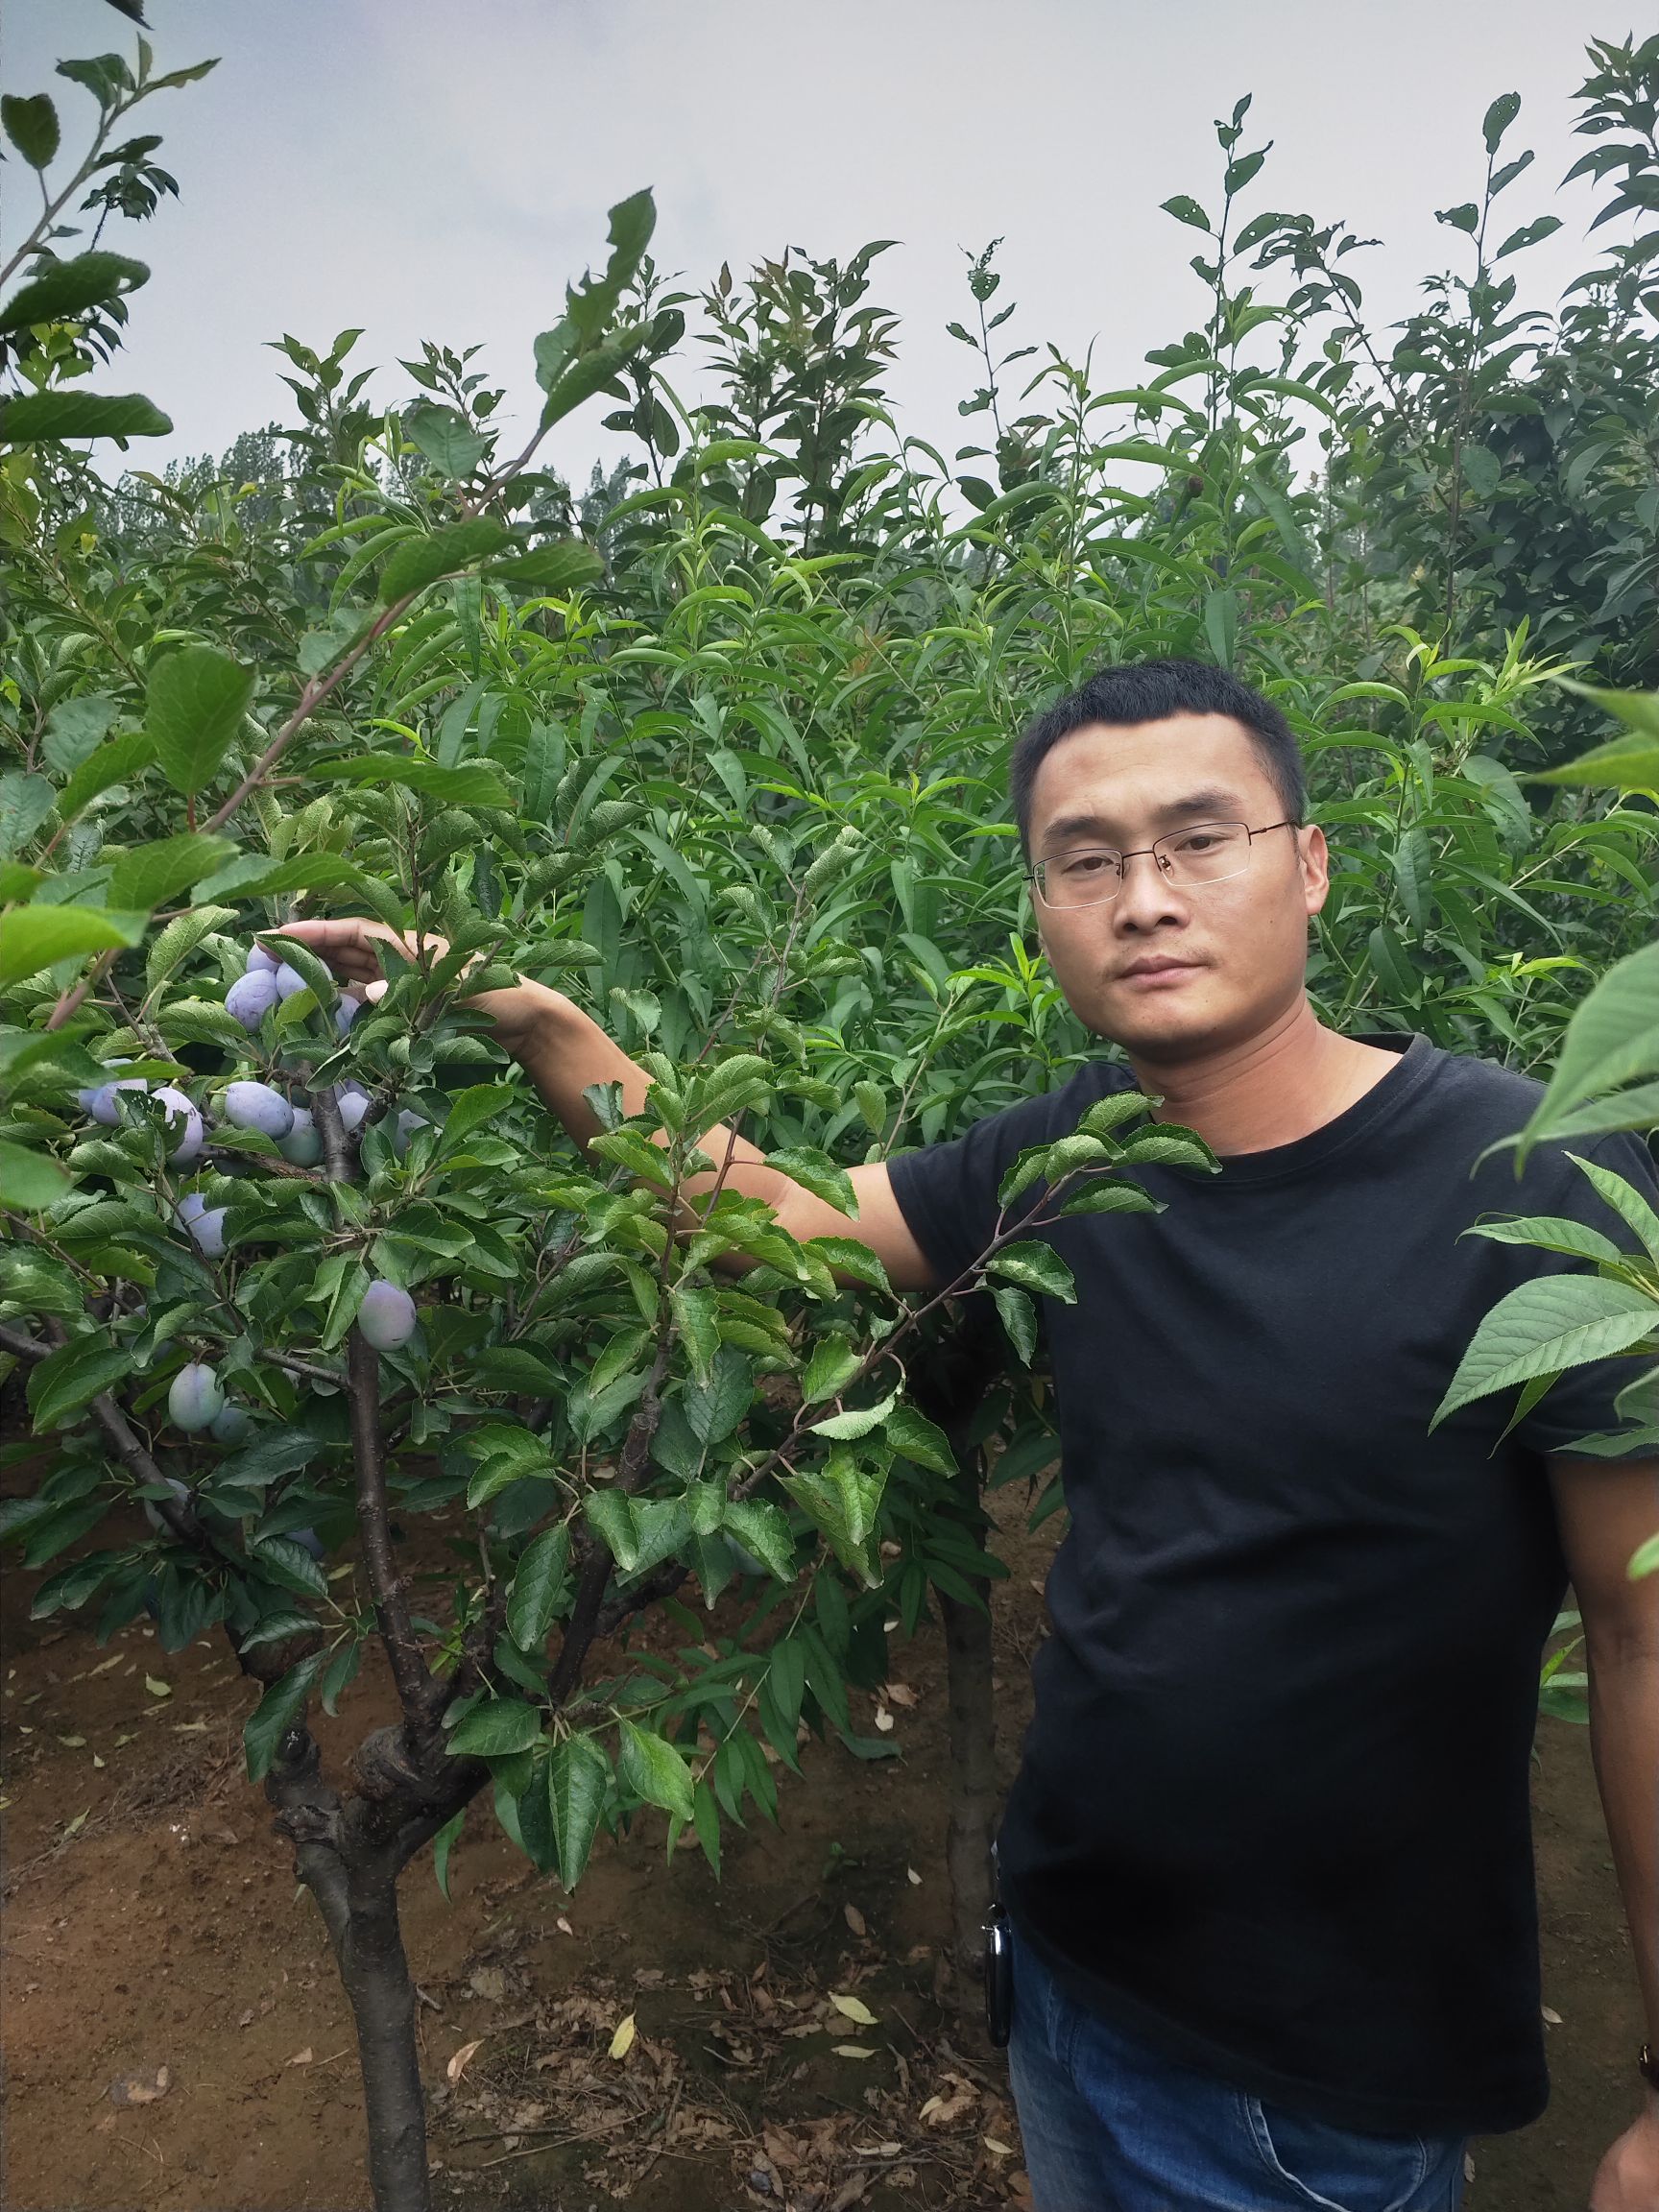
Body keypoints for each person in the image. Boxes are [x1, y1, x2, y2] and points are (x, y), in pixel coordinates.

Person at [285, 658, 1659, 2212]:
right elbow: (781, 1225)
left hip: (1317, 2076)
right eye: (1086, 859)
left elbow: (1643, 1630)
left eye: (1202, 839)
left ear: (1315, 863)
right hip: (1069, 1974)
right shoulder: (1079, 1151)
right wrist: (536, 1021)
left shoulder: (1530, 1171)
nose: (1145, 896)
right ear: (1040, 907)